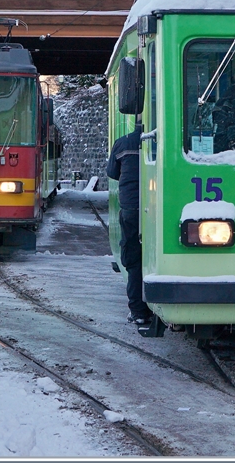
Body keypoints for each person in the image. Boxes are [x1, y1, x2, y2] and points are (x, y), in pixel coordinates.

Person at [106, 122, 151, 324]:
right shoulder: (163, 140)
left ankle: (138, 310)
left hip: (131, 208)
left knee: (133, 259)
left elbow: (111, 172)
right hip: (158, 207)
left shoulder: (123, 143)